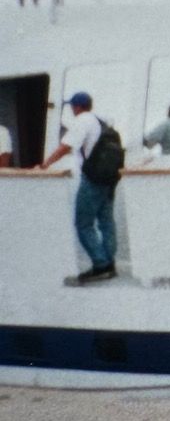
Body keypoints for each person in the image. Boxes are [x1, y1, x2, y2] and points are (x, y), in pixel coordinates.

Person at [35, 91, 117, 282]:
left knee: (84, 223)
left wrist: (45, 164)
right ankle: (109, 263)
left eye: (72, 106)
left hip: (92, 179)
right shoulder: (100, 121)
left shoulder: (82, 121)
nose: (72, 109)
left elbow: (66, 147)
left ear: (77, 106)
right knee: (106, 222)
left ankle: (101, 265)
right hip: (109, 179)